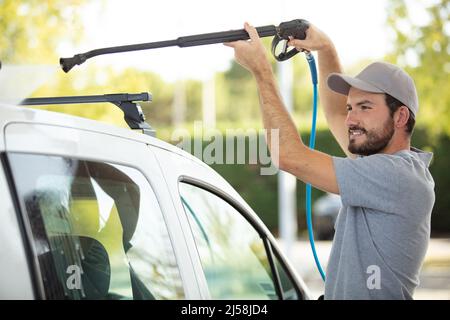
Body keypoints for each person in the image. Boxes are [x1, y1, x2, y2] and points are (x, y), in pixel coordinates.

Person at [224, 22, 435, 299]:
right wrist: (325, 48)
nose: (350, 119)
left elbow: (287, 155)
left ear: (401, 117)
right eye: (351, 107)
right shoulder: (381, 163)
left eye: (364, 107)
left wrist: (262, 71)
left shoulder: (397, 175)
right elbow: (335, 114)